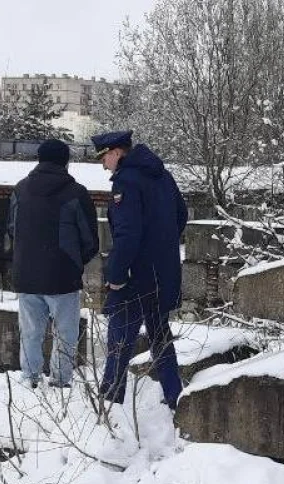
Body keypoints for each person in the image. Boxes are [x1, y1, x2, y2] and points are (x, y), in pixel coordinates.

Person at [91, 130, 187, 409]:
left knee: (119, 339)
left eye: (104, 158)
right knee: (160, 336)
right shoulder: (163, 176)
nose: (104, 165)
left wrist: (117, 277)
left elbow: (127, 235)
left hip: (135, 277)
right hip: (162, 272)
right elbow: (181, 215)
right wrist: (160, 248)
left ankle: (110, 403)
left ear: (116, 152)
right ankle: (176, 400)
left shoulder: (126, 182)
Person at [7, 139, 100, 388]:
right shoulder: (77, 193)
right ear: (66, 162)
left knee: (30, 332)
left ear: (39, 159)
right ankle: (60, 382)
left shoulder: (20, 190)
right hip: (63, 276)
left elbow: (12, 229)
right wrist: (75, 261)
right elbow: (90, 239)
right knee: (66, 333)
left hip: (27, 275)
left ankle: (30, 378)